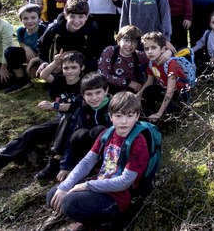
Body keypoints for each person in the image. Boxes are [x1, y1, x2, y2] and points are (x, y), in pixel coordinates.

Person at [0, 51, 86, 181]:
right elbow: (44, 75)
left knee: (67, 120)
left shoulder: (84, 83)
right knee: (30, 133)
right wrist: (55, 62)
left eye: (74, 67)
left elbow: (76, 106)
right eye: (66, 68)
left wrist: (54, 106)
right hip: (59, 121)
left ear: (82, 68)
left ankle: (54, 164)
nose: (70, 71)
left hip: (77, 124)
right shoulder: (61, 80)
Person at [47, 92, 150, 230]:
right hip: (100, 184)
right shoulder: (107, 133)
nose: (124, 121)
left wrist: (86, 185)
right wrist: (65, 186)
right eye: (119, 116)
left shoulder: (138, 142)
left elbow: (125, 181)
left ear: (137, 116)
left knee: (68, 203)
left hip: (119, 197)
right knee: (53, 194)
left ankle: (107, 222)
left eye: (130, 116)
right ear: (111, 116)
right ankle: (89, 218)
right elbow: (87, 162)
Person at [35, 72, 112, 181]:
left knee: (99, 131)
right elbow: (71, 135)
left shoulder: (114, 107)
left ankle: (101, 167)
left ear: (106, 90)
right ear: (83, 94)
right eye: (89, 94)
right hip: (88, 149)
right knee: (78, 134)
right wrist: (66, 166)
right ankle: (67, 162)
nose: (94, 98)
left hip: (111, 149)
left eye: (98, 92)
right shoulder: (82, 108)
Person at [37, 0, 101, 74]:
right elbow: (41, 45)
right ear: (65, 15)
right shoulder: (54, 28)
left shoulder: (92, 28)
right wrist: (45, 62)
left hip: (80, 63)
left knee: (92, 65)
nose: (76, 21)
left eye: (81, 17)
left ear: (87, 16)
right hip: (58, 63)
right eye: (72, 16)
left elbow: (95, 52)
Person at [137, 32, 187, 122]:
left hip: (179, 93)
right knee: (148, 90)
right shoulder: (152, 62)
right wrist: (138, 95)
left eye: (153, 47)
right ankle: (147, 115)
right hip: (165, 89)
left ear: (163, 49)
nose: (149, 51)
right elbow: (149, 82)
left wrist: (159, 114)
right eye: (146, 48)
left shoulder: (171, 64)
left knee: (169, 115)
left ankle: (162, 115)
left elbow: (170, 91)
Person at [4, 4, 46, 93]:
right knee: (10, 52)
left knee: (35, 73)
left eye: (33, 18)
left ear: (39, 18)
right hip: (30, 56)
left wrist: (32, 61)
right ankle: (22, 81)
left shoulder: (44, 31)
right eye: (26, 18)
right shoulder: (21, 31)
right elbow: (21, 42)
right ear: (21, 20)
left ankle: (50, 80)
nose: (29, 21)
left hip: (43, 58)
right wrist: (26, 48)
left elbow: (48, 52)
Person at [98, 25, 149, 94]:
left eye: (134, 42)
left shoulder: (139, 55)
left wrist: (168, 52)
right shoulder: (110, 51)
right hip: (111, 90)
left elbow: (156, 56)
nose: (129, 44)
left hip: (131, 92)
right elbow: (102, 74)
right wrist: (127, 82)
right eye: (126, 40)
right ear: (119, 40)